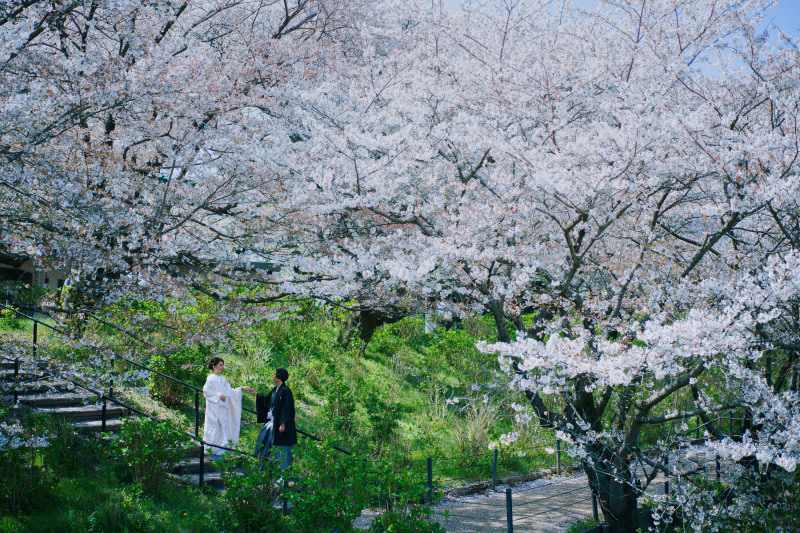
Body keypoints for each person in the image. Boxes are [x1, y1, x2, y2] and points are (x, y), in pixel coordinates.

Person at [244, 367, 296, 470]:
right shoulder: (275, 390)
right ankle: (268, 469)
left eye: (274, 374)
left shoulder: (285, 390)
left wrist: (282, 424)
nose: (273, 376)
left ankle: (283, 475)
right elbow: (266, 400)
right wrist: (256, 394)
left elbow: (287, 408)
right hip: (273, 424)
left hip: (281, 427)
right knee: (270, 447)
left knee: (282, 449)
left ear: (279, 377)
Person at [202, 357, 243, 457]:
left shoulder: (223, 379)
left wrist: (240, 389)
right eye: (220, 365)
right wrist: (219, 395)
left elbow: (230, 391)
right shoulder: (210, 378)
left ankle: (221, 448)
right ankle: (210, 447)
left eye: (222, 365)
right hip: (214, 408)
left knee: (223, 427)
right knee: (214, 426)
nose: (222, 367)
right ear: (213, 366)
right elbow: (207, 391)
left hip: (223, 407)